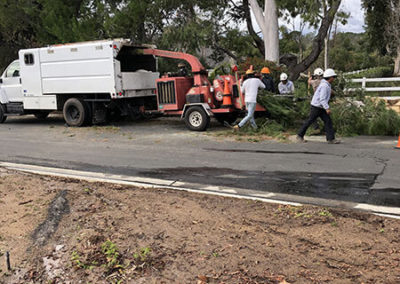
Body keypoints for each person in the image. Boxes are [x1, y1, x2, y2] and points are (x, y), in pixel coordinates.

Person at [297, 68, 340, 144]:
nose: (334, 79)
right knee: (310, 121)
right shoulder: (324, 86)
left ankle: (331, 139)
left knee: (328, 121)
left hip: (320, 106)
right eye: (333, 77)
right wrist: (327, 108)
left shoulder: (326, 85)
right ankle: (300, 135)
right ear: (330, 77)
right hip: (317, 106)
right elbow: (322, 99)